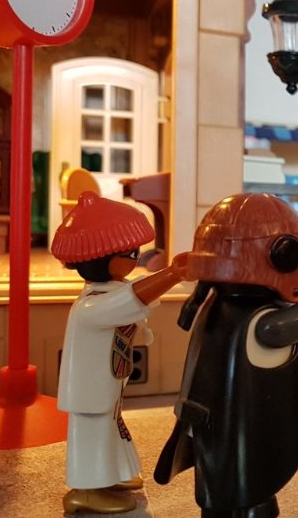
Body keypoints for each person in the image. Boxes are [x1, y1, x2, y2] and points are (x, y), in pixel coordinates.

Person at [154, 193, 298, 518]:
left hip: (216, 435)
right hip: (244, 448)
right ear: (280, 256)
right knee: (247, 501)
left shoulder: (216, 305)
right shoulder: (260, 324)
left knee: (223, 498)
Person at [52, 191, 191, 514]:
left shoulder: (108, 290)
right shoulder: (91, 307)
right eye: (130, 253)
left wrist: (172, 274)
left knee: (110, 431)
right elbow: (134, 299)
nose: (136, 258)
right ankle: (86, 490)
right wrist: (172, 274)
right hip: (90, 390)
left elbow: (134, 295)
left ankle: (111, 475)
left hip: (106, 383)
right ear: (101, 258)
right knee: (93, 435)